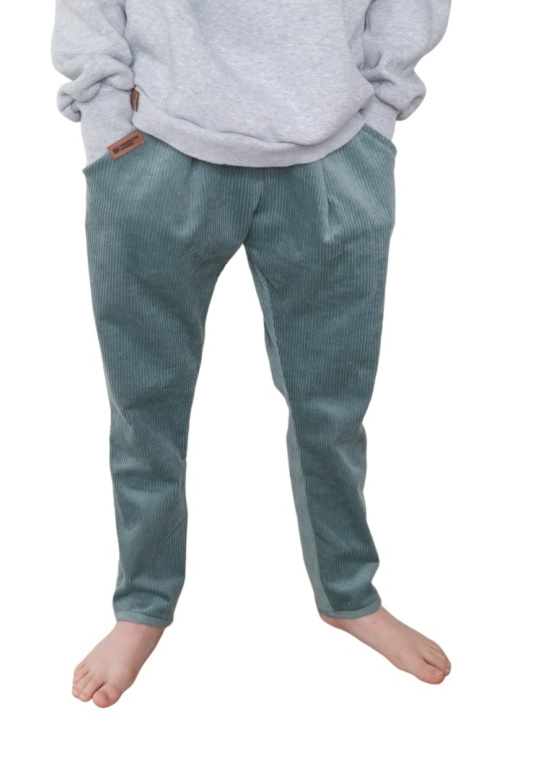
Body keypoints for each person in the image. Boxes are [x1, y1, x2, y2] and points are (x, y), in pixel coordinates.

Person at [51, 0, 453, 708]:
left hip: (334, 149)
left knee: (333, 408)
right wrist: (108, 123)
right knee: (145, 408)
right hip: (155, 143)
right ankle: (143, 603)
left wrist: (381, 110)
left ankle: (348, 592)